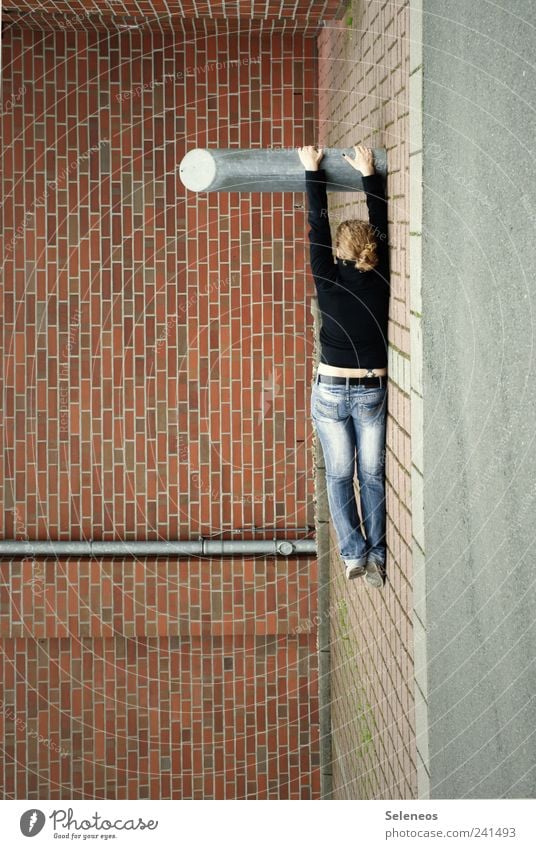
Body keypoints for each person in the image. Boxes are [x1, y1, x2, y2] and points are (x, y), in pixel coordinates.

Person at [297, 143, 390, 588]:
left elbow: (319, 222)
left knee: (340, 474)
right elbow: (379, 220)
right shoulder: (382, 273)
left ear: (338, 253)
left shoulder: (327, 276)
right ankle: (378, 555)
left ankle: (355, 555)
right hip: (371, 387)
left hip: (332, 388)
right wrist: (369, 173)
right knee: (370, 475)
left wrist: (313, 169)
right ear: (371, 251)